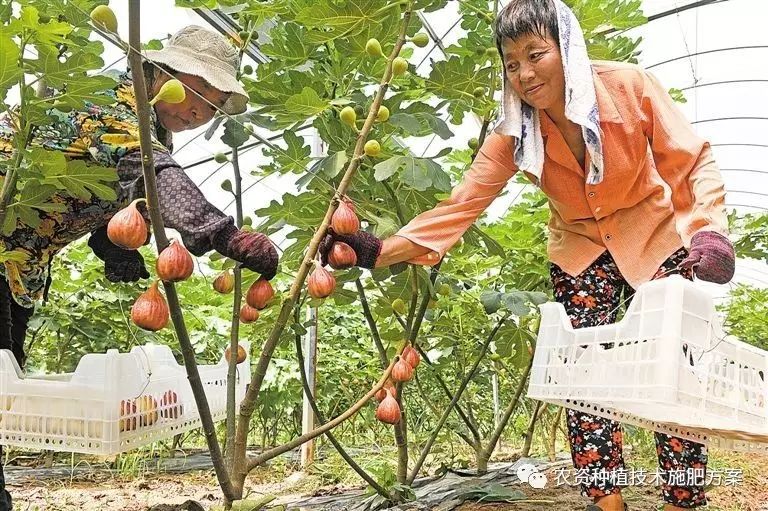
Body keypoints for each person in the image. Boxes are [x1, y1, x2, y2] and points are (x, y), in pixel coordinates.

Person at [319, 1, 734, 510]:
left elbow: (690, 161)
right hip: (580, 249)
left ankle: (683, 500)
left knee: (675, 367)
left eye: (536, 54)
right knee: (584, 380)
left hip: (655, 236)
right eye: (512, 63)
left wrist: (709, 233)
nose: (525, 73)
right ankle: (607, 502)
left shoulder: (630, 88)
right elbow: (462, 205)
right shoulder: (514, 134)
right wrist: (378, 250)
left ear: (569, 51)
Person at [0, 26, 278, 509]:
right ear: (161, 72)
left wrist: (115, 247)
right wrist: (221, 232)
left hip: (16, 264)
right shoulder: (116, 101)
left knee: (3, 376)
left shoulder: (154, 127)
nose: (199, 112)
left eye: (210, 107)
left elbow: (110, 189)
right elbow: (148, 170)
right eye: (197, 93)